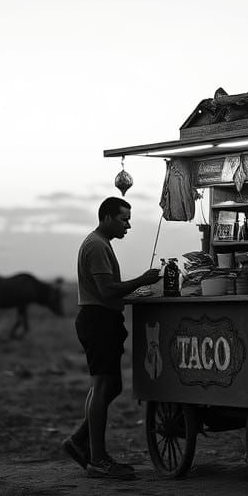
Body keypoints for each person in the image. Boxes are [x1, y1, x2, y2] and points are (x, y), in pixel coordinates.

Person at [63, 197, 160, 479]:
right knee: (103, 385)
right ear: (106, 218)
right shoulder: (95, 245)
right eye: (123, 219)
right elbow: (107, 291)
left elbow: (109, 289)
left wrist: (134, 291)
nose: (128, 225)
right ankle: (97, 460)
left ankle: (81, 442)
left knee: (111, 385)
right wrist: (142, 281)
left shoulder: (101, 244)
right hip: (98, 320)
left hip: (103, 319)